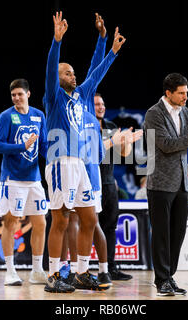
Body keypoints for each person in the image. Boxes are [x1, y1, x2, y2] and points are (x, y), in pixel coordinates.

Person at [42, 11, 125, 293]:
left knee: (89, 217)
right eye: (67, 72)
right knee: (61, 217)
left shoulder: (82, 95)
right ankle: (53, 274)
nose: (73, 75)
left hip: (79, 163)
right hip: (60, 161)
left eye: (73, 73)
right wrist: (56, 42)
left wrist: (108, 48)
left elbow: (95, 71)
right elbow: (52, 65)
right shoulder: (53, 97)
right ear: (57, 77)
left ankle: (80, 271)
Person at [143, 72, 188, 296]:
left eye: (187, 92)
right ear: (168, 93)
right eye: (181, 93)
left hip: (182, 182)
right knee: (162, 235)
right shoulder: (153, 114)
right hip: (160, 183)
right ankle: (161, 280)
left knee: (177, 234)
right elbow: (165, 145)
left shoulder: (184, 111)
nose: (186, 97)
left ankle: (169, 276)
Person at [0, 78, 49, 286]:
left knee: (41, 223)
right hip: (13, 178)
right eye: (13, 95)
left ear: (28, 94)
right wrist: (21, 147)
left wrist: (55, 156)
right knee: (11, 222)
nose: (16, 98)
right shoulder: (6, 116)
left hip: (34, 178)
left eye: (19, 94)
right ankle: (10, 271)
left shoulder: (38, 115)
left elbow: (42, 145)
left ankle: (36, 271)